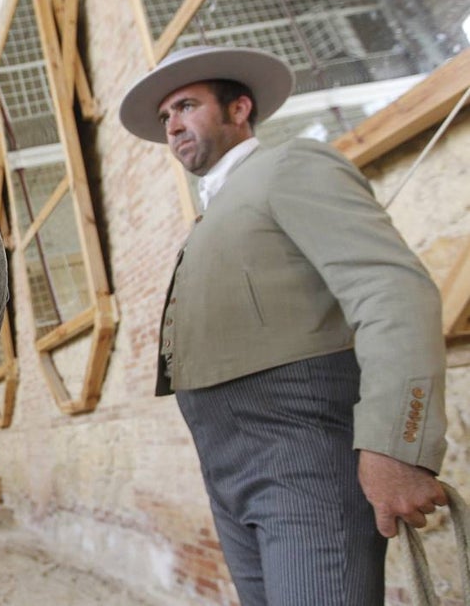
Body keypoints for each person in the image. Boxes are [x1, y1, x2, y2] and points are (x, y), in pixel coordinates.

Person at [119, 45, 449, 605]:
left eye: (187, 106)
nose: (172, 125)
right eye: (165, 117)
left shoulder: (291, 165)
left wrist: (396, 445)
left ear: (240, 109)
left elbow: (391, 288)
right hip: (224, 459)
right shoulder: (211, 215)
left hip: (300, 452)